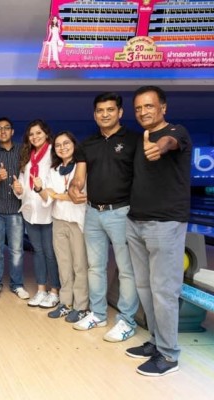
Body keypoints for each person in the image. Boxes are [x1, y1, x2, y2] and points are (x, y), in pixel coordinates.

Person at [124, 86, 191, 376]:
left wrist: (160, 146)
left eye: (148, 106)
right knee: (146, 288)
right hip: (136, 221)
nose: (143, 112)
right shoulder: (140, 140)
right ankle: (156, 340)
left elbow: (170, 142)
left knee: (164, 290)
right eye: (138, 108)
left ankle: (168, 355)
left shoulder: (177, 132)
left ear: (163, 107)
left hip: (165, 224)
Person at [68, 92, 140, 340]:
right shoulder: (87, 144)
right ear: (94, 114)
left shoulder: (134, 140)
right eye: (100, 110)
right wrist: (74, 188)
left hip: (122, 212)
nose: (105, 114)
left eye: (110, 110)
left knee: (126, 269)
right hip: (92, 211)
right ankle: (98, 315)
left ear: (120, 112)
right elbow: (79, 177)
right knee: (95, 267)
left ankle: (126, 321)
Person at [37, 131, 88, 321]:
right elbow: (48, 197)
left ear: (74, 144)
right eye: (58, 145)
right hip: (58, 220)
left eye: (66, 143)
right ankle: (66, 303)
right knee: (64, 265)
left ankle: (81, 305)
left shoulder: (82, 168)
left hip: (77, 221)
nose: (62, 147)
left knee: (79, 265)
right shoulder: (54, 170)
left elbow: (79, 196)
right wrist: (41, 189)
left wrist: (57, 194)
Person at [13, 119, 60, 308]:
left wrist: (41, 189)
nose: (35, 137)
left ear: (46, 134)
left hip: (48, 210)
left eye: (38, 133)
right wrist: (18, 189)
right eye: (31, 134)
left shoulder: (53, 153)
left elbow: (55, 184)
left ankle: (54, 291)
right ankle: (41, 290)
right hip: (30, 211)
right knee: (38, 252)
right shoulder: (27, 156)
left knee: (50, 253)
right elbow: (24, 186)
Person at [0, 118, 29, 301]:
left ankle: (17, 284)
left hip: (16, 210)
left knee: (17, 250)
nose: (3, 132)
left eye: (6, 128)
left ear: (12, 131)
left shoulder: (22, 151)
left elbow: (31, 177)